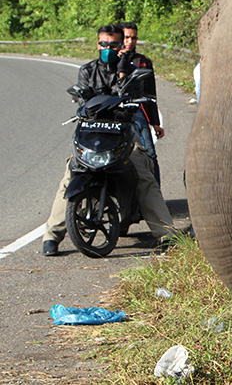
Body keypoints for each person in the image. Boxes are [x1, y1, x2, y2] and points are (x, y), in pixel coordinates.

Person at [42, 25, 175, 256]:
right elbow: (84, 98)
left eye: (113, 44)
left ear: (121, 45)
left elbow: (136, 96)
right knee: (70, 173)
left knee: (144, 175)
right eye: (103, 44)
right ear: (97, 44)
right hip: (94, 136)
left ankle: (167, 235)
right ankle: (51, 236)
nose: (107, 48)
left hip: (124, 135)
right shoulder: (87, 70)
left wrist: (123, 71)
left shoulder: (132, 70)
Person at [120, 22, 163, 182]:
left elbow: (151, 93)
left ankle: (156, 197)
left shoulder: (143, 62)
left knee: (150, 153)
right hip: (117, 112)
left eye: (133, 38)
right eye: (126, 37)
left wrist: (155, 123)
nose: (130, 41)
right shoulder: (112, 60)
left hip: (138, 111)